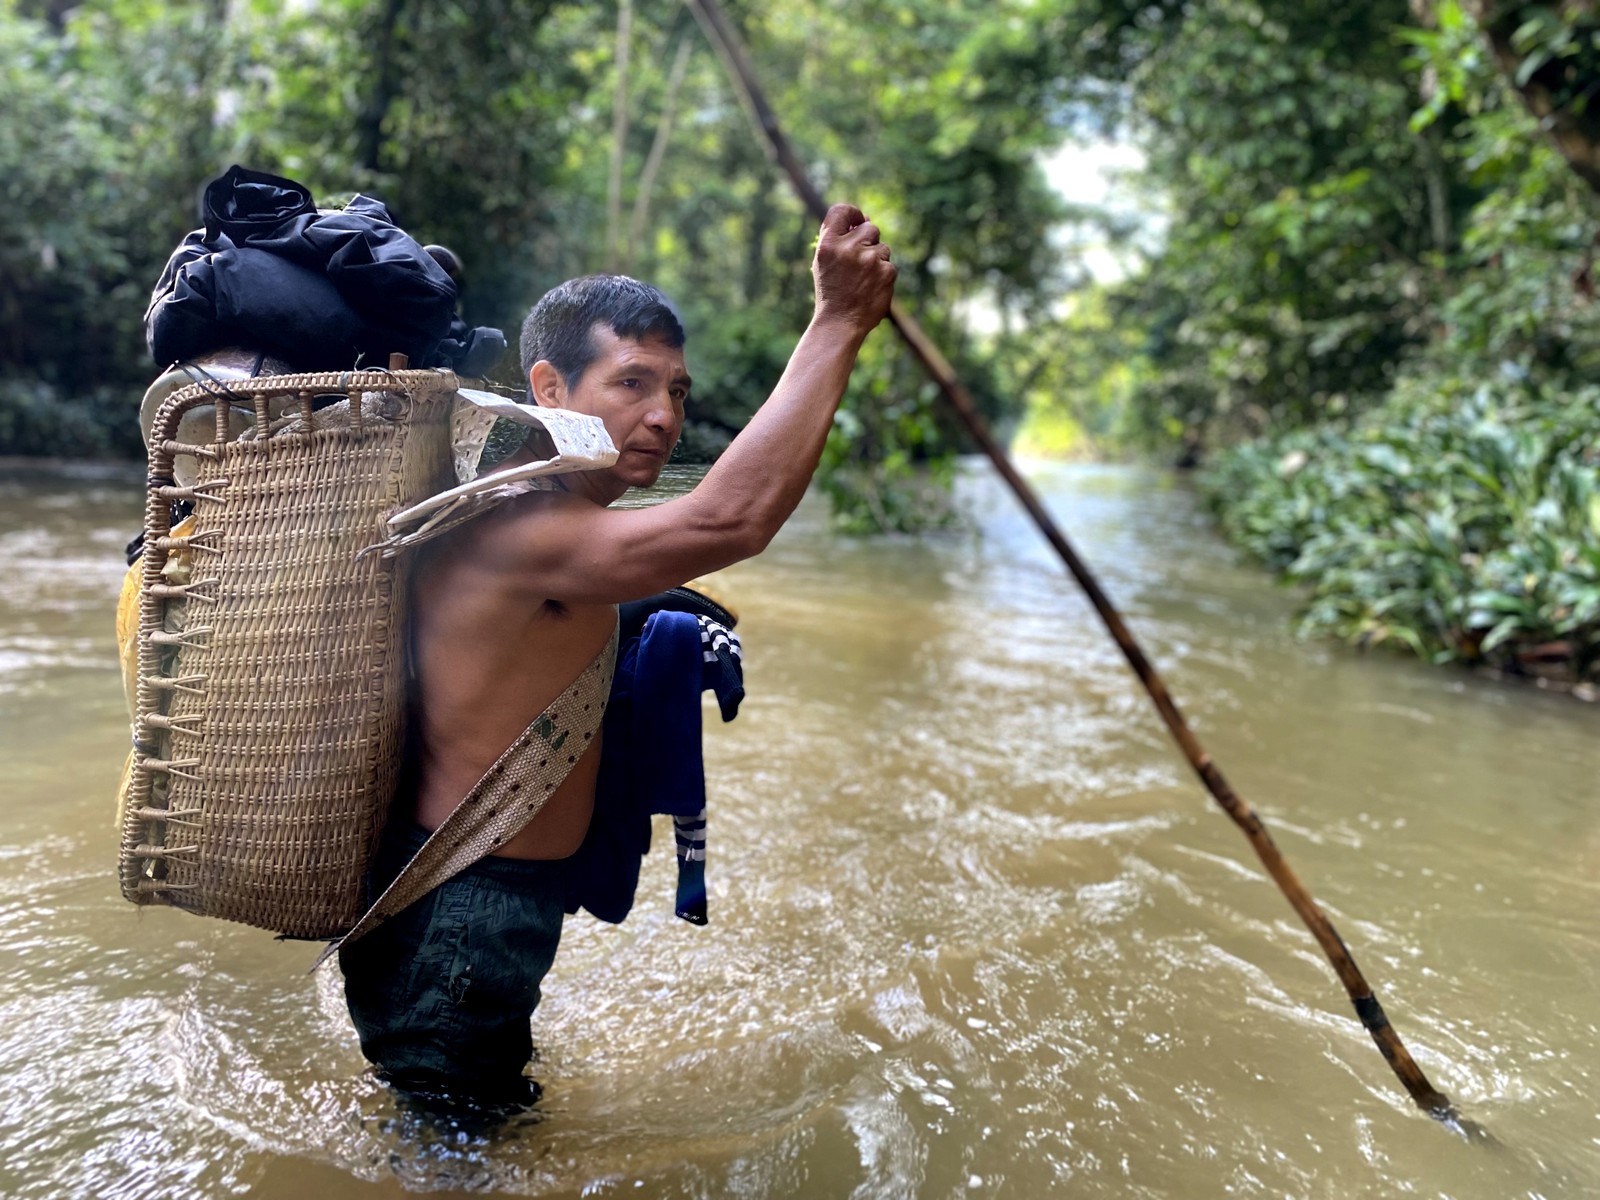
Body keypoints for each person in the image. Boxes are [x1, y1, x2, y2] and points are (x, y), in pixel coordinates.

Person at [338, 203, 896, 1107]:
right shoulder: (527, 527)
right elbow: (731, 518)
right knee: (451, 1162)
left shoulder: (553, 520)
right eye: (633, 383)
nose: (662, 414)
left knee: (461, 1138)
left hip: (479, 904)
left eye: (676, 391)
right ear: (549, 389)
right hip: (462, 913)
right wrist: (838, 322)